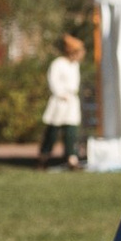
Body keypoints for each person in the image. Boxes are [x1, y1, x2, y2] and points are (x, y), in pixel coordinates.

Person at [38, 33, 84, 169]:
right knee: (52, 132)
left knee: (71, 132)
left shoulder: (75, 65)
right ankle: (43, 158)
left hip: (71, 102)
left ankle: (72, 159)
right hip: (60, 101)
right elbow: (53, 82)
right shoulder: (58, 64)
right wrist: (60, 93)